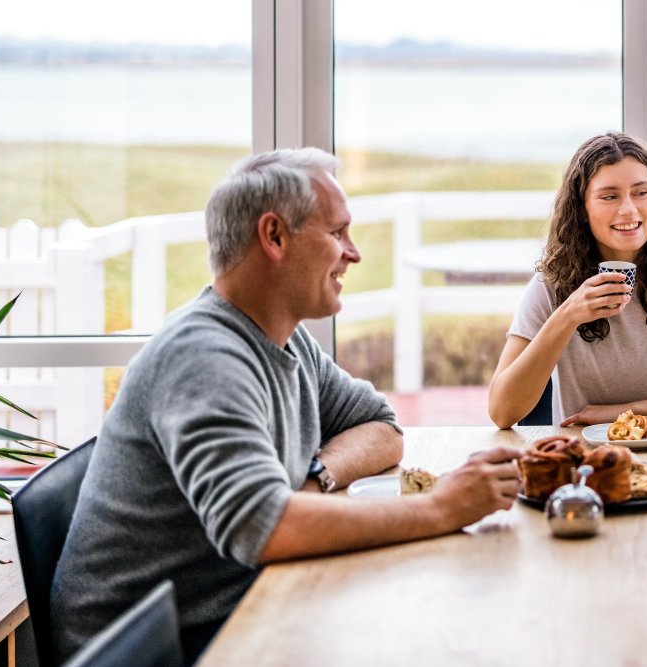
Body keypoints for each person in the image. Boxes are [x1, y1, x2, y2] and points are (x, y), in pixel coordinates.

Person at [51, 148, 521, 663]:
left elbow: (381, 427)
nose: (354, 253)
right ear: (274, 236)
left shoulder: (282, 338)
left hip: (232, 612)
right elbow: (260, 526)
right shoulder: (204, 358)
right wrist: (441, 507)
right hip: (159, 651)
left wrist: (315, 477)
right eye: (337, 233)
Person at [488, 132, 647, 429]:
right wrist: (568, 315)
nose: (629, 209)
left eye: (640, 192)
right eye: (610, 196)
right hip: (586, 463)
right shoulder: (551, 286)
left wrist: (628, 412)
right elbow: (502, 412)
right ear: (581, 209)